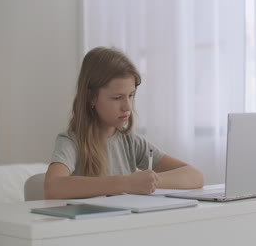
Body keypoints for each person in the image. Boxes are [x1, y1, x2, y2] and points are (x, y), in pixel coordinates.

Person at [44, 47, 204, 199]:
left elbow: (195, 177)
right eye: (117, 97)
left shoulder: (132, 143)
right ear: (91, 97)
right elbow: (52, 187)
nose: (127, 106)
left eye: (131, 95)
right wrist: (125, 183)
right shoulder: (71, 142)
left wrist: (150, 181)